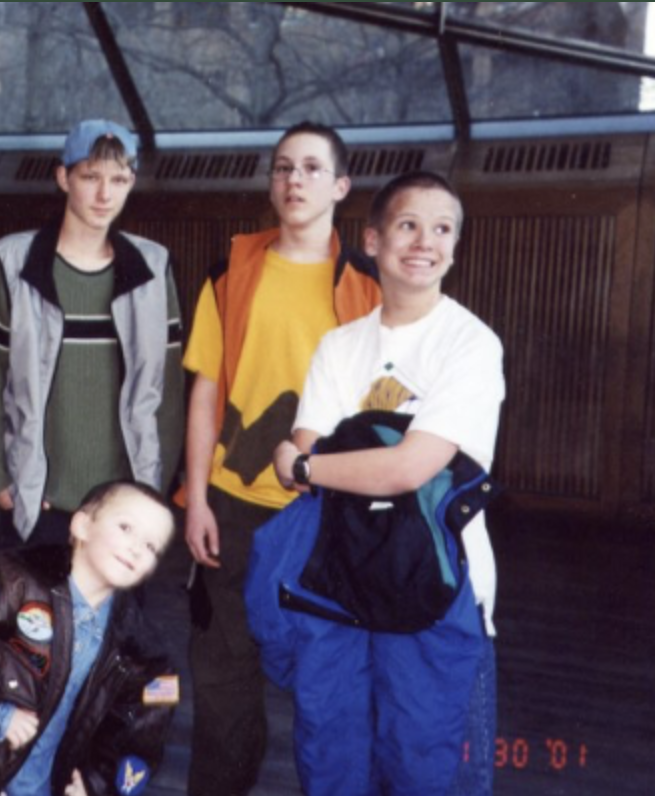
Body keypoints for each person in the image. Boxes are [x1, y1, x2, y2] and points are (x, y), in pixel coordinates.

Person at [270, 170, 504, 794]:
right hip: (341, 582)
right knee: (334, 756)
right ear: (371, 240)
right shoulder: (340, 346)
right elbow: (306, 447)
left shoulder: (470, 345)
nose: (425, 241)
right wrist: (308, 462)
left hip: (439, 590)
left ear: (455, 247)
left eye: (442, 229)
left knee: (427, 763)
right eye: (408, 225)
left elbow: (407, 468)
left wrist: (309, 466)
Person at [180, 121, 381, 795]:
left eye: (312, 169)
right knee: (224, 684)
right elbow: (206, 391)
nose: (294, 181)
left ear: (341, 187)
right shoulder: (230, 272)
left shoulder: (368, 286)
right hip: (235, 509)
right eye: (283, 168)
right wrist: (198, 499)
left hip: (329, 509)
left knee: (329, 692)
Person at [0, 119, 184, 550]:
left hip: (124, 505)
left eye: (118, 179)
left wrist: (155, 485)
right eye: (90, 177)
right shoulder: (8, 264)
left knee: (114, 618)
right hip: (37, 501)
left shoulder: (154, 268)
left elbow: (167, 394)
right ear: (63, 178)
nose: (104, 194)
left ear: (131, 182)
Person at [0, 480, 180, 796]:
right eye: (126, 527)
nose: (137, 547)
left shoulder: (150, 655)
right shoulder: (5, 574)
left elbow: (143, 741)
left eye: (152, 546)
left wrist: (100, 786)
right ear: (82, 525)